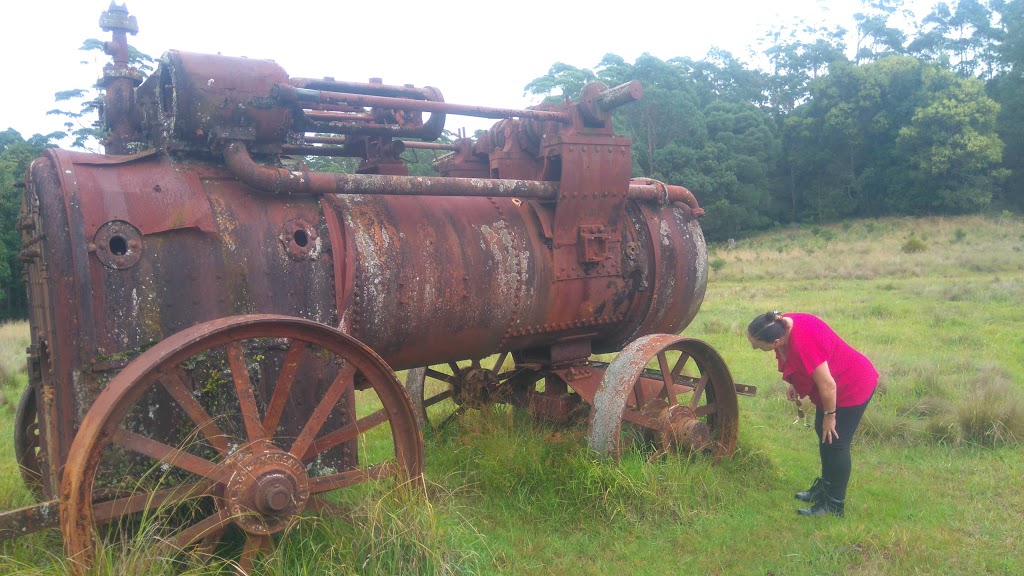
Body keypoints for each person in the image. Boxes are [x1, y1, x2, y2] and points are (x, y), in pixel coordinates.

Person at [746, 311, 878, 517]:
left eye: (757, 345)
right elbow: (789, 355)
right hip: (836, 383)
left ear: (776, 341)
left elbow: (828, 385)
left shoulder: (804, 342)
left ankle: (834, 505)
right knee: (823, 434)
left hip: (851, 384)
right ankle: (825, 487)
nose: (754, 347)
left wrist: (830, 416)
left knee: (836, 442)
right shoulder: (779, 324)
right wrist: (793, 382)